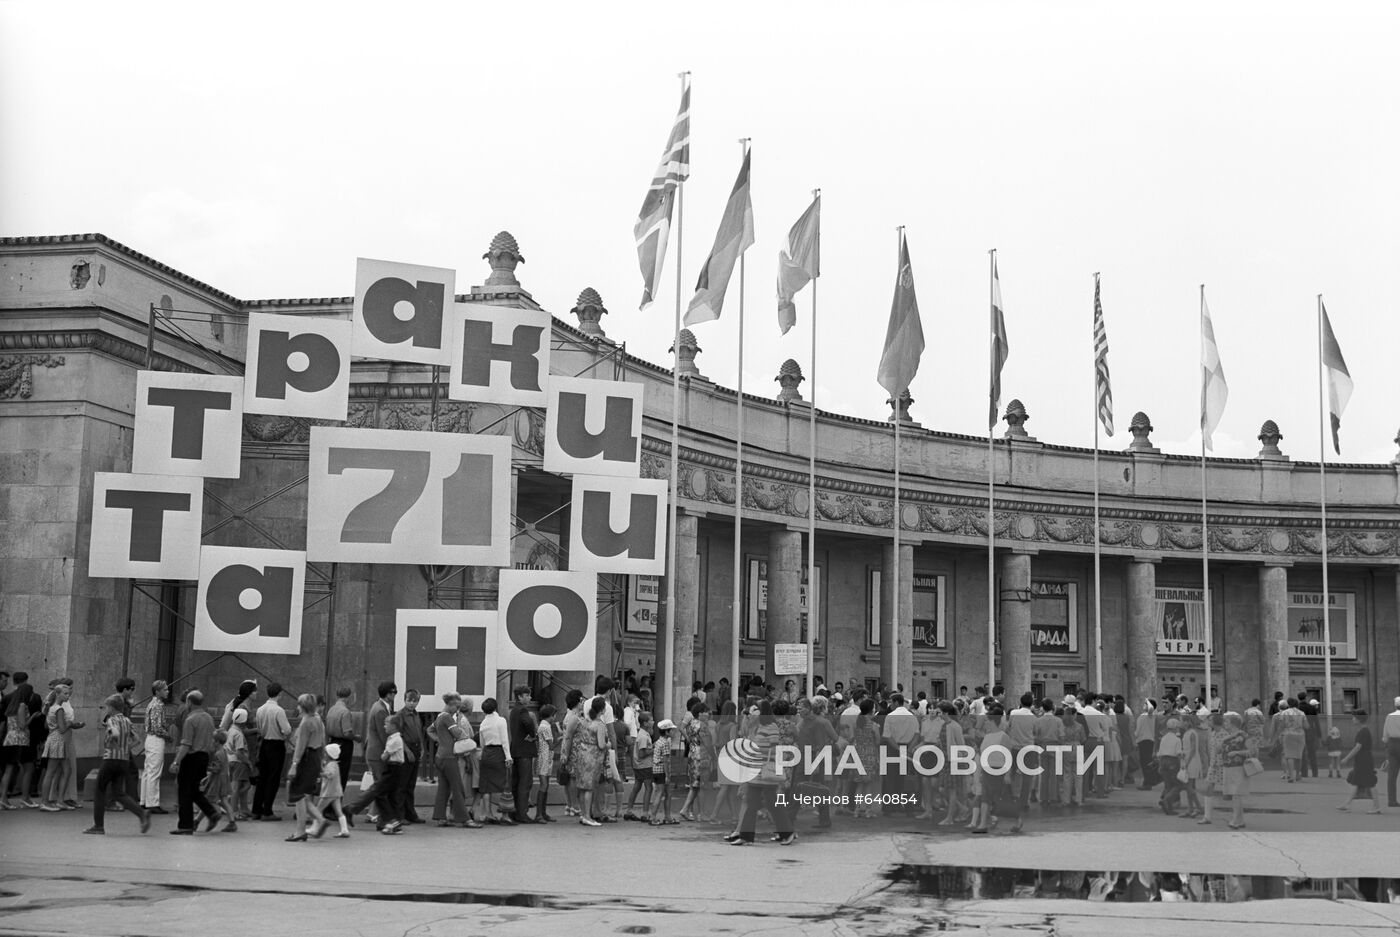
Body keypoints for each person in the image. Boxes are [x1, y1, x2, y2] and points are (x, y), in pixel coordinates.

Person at [728, 701, 795, 845]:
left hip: (766, 771)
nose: (752, 713)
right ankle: (747, 836)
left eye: (755, 710)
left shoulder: (771, 727)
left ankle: (787, 832)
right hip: (757, 772)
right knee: (753, 803)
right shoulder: (758, 727)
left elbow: (774, 748)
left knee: (771, 805)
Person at [83, 694, 150, 835]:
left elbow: (114, 732)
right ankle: (141, 813)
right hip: (124, 760)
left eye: (107, 707)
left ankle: (98, 826)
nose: (106, 709)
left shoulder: (111, 720)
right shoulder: (126, 720)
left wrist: (114, 740)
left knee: (99, 790)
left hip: (110, 759)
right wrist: (125, 748)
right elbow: (137, 739)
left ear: (111, 707)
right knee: (118, 792)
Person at [168, 689, 219, 834]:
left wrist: (176, 761)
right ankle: (211, 812)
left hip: (191, 757)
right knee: (195, 790)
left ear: (189, 702)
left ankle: (185, 825)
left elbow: (186, 744)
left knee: (184, 791)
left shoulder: (190, 720)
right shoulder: (208, 718)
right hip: (204, 756)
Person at [346, 681, 397, 826]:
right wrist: (392, 750)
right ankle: (356, 810)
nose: (395, 695)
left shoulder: (379, 706)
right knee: (380, 787)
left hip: (375, 752)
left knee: (379, 786)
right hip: (378, 753)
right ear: (388, 694)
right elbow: (384, 734)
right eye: (394, 692)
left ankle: (373, 814)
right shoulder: (381, 710)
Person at [430, 692, 478, 828]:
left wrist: (441, 740)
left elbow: (429, 730)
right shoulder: (448, 718)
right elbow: (458, 734)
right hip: (450, 757)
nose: (458, 709)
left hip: (440, 756)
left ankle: (440, 817)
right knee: (458, 788)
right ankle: (464, 819)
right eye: (456, 706)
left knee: (443, 788)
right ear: (450, 704)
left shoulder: (439, 717)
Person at [284, 693, 326, 842]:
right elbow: (322, 741)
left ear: (303, 707)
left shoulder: (305, 722)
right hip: (315, 757)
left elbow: (300, 747)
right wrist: (322, 762)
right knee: (304, 794)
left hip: (305, 759)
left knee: (298, 794)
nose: (297, 707)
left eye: (298, 704)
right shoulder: (318, 719)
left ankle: (300, 830)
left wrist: (294, 765)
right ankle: (318, 820)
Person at [0, 671, 41, 810]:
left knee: (8, 770)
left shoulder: (10, 703)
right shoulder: (22, 705)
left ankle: (3, 799)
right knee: (28, 768)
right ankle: (25, 798)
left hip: (9, 738)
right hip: (21, 740)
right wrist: (33, 717)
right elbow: (23, 725)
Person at [252, 682, 291, 821]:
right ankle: (267, 810)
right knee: (273, 778)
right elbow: (286, 730)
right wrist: (284, 734)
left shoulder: (260, 709)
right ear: (280, 693)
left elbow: (258, 727)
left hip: (264, 743)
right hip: (276, 744)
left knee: (262, 777)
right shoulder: (279, 710)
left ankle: (256, 809)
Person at [39, 684, 80, 811]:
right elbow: (62, 728)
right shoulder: (59, 709)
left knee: (66, 770)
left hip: (56, 739)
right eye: (65, 693)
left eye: (68, 693)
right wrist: (70, 723)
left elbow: (49, 725)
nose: (68, 695)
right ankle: (45, 802)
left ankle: (59, 801)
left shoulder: (52, 707)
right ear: (58, 694)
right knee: (52, 771)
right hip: (58, 740)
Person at [572, 697, 609, 827]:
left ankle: (583, 814)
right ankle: (588, 816)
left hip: (582, 754)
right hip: (593, 757)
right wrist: (608, 744)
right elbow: (601, 744)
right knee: (589, 787)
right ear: (602, 709)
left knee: (582, 787)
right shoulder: (600, 724)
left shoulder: (586, 722)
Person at [1338, 709, 1382, 814]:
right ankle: (1347, 804)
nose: (1352, 719)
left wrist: (1346, 758)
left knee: (1370, 783)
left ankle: (1376, 806)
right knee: (1356, 782)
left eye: (1354, 717)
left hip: (1364, 761)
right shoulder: (1363, 730)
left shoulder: (1363, 731)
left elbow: (1357, 747)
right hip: (1363, 760)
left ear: (1358, 719)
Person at [506, 685, 538, 823]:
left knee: (516, 782)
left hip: (515, 750)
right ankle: (522, 813)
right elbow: (528, 722)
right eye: (527, 695)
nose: (530, 698)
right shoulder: (523, 710)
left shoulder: (513, 710)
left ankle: (514, 811)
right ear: (520, 697)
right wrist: (533, 734)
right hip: (525, 750)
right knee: (525, 782)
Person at [140, 681, 172, 814]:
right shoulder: (158, 705)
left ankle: (145, 800)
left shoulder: (152, 704)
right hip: (156, 739)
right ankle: (153, 803)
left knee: (148, 770)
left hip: (150, 738)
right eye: (164, 690)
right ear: (157, 692)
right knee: (154, 771)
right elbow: (157, 727)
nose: (167, 691)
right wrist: (168, 736)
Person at [1218, 712, 1252, 828]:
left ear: (1233, 723)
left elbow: (1252, 752)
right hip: (1228, 767)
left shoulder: (1243, 735)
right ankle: (1240, 820)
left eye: (1226, 721)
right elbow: (1218, 750)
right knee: (1234, 795)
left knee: (1236, 794)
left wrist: (1237, 752)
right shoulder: (1228, 735)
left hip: (1239, 767)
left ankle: (1236, 821)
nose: (1224, 723)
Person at [376, 714, 407, 834]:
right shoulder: (393, 738)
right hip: (393, 767)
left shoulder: (395, 740)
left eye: (386, 724)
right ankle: (393, 823)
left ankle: (392, 821)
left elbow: (384, 756)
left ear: (394, 726)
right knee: (392, 796)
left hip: (394, 768)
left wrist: (383, 755)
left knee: (382, 794)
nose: (384, 727)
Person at [396, 689, 423, 824]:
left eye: (414, 701)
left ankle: (410, 813)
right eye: (409, 700)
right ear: (404, 700)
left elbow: (419, 732)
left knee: (411, 784)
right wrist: (407, 751)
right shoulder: (400, 715)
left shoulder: (417, 715)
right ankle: (400, 815)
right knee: (402, 784)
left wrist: (422, 748)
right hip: (406, 748)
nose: (412, 704)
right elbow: (398, 735)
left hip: (417, 747)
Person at [202, 729, 236, 832]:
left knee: (209, 800)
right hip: (224, 778)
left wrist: (206, 768)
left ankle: (214, 815)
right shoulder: (224, 751)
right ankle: (232, 822)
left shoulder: (217, 754)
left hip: (217, 780)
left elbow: (216, 769)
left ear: (216, 741)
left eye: (213, 740)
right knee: (225, 801)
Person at [323, 686, 357, 790]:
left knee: (332, 773)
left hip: (331, 742)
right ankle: (337, 800)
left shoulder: (331, 710)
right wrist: (356, 737)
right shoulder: (345, 712)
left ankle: (329, 801)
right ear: (348, 697)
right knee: (342, 774)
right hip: (344, 745)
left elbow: (326, 730)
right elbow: (347, 733)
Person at [315, 742, 350, 838]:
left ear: (328, 754)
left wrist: (321, 773)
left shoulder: (331, 765)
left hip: (329, 792)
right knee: (339, 811)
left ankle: (314, 828)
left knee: (317, 810)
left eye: (325, 753)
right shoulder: (334, 764)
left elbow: (330, 774)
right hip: (336, 792)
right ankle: (344, 829)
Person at [624, 711, 653, 821]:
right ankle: (645, 813)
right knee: (648, 787)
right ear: (645, 723)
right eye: (651, 720)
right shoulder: (643, 736)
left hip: (638, 766)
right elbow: (642, 754)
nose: (653, 722)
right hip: (645, 765)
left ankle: (629, 810)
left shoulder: (641, 734)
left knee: (637, 786)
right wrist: (653, 750)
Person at [533, 703, 557, 823]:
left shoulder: (543, 725)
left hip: (545, 757)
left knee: (545, 785)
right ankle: (539, 814)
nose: (555, 718)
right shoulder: (545, 727)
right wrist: (561, 738)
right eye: (554, 715)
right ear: (550, 716)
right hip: (544, 757)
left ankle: (543, 812)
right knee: (543, 785)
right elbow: (551, 745)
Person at [650, 718, 676, 825]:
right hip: (662, 771)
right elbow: (666, 760)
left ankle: (667, 817)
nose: (673, 732)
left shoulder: (659, 741)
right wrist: (667, 775)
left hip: (656, 770)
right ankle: (653, 817)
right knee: (660, 793)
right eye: (671, 730)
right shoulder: (665, 743)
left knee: (666, 793)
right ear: (667, 732)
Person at [226, 709, 252, 820]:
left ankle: (244, 809)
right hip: (239, 763)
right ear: (243, 722)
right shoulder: (238, 734)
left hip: (230, 761)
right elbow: (239, 752)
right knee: (236, 788)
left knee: (243, 786)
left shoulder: (231, 730)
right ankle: (234, 812)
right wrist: (248, 762)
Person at [1383, 696, 1400, 808]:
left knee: (1392, 775)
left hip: (1393, 744)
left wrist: (1386, 744)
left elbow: (1385, 735)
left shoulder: (1389, 716)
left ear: (1395, 705)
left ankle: (1392, 801)